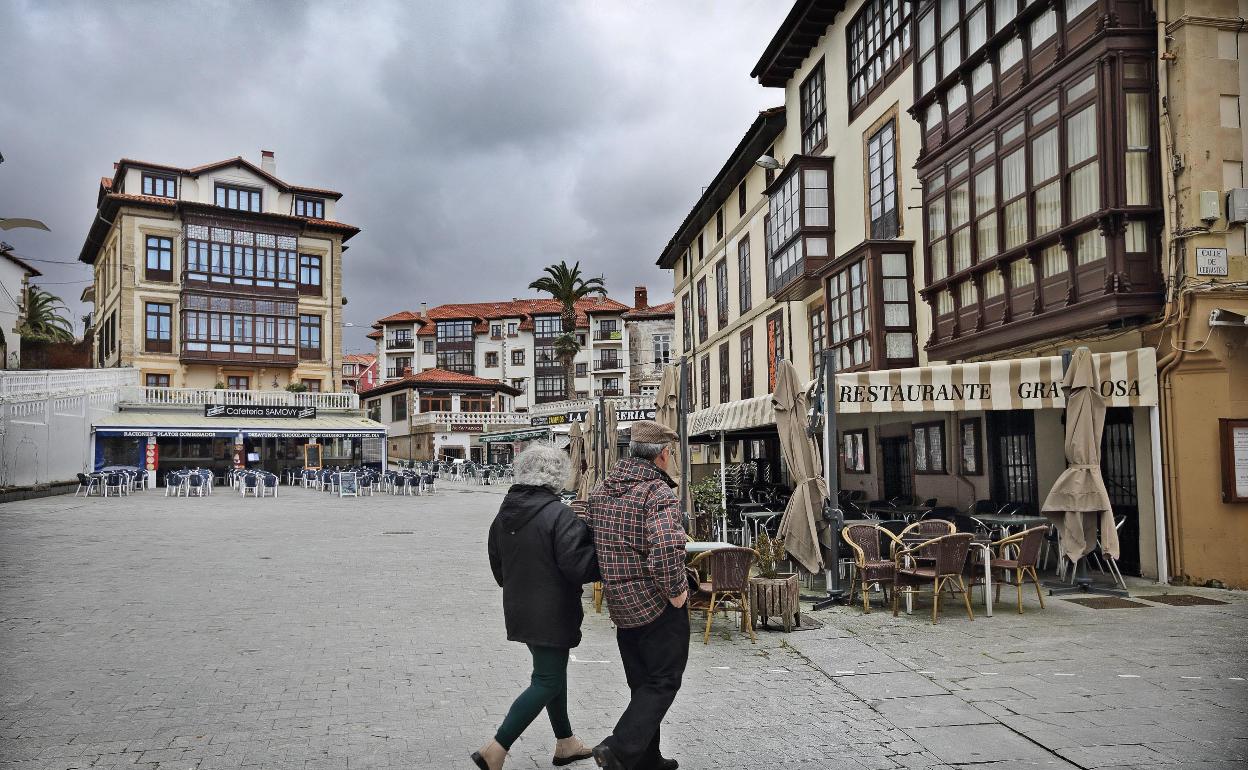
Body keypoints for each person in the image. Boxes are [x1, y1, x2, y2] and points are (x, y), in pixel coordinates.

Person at [473, 443, 600, 770]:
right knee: (546, 679)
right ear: (558, 475)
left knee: (552, 673)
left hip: (521, 607)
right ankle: (497, 747)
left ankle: (566, 742)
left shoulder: (506, 511)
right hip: (553, 611)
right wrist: (599, 549)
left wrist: (517, 588)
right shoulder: (559, 514)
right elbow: (578, 566)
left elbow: (496, 559)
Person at [586, 421, 687, 770]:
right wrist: (676, 592)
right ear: (662, 454)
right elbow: (666, 548)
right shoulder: (655, 493)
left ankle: (648, 759)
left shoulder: (601, 491)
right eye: (669, 452)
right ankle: (618, 748)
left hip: (620, 604)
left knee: (641, 683)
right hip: (656, 603)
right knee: (663, 680)